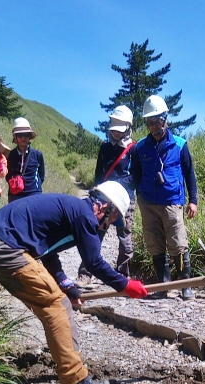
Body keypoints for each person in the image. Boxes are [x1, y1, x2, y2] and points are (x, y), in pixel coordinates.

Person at [0, 181, 148, 384]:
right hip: (2, 247)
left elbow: (46, 251)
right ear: (106, 207)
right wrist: (125, 285)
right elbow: (93, 262)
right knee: (57, 306)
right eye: (113, 219)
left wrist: (66, 285)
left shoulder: (69, 208)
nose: (107, 226)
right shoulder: (85, 215)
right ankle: (75, 382)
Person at [130, 95, 199, 299]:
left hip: (172, 202)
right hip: (148, 203)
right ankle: (163, 286)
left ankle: (185, 285)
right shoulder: (140, 147)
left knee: (178, 244)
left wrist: (193, 201)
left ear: (165, 119)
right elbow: (135, 175)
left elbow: (190, 174)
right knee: (154, 244)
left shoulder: (180, 145)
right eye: (150, 122)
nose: (154, 126)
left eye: (157, 121)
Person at [76, 105, 136, 284]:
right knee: (95, 232)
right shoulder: (105, 147)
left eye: (119, 130)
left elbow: (136, 176)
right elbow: (99, 173)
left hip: (125, 199)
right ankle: (85, 273)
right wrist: (99, 191)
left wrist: (116, 186)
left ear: (127, 128)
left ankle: (122, 274)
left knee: (124, 235)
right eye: (114, 130)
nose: (116, 133)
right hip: (103, 198)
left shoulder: (133, 149)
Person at [5, 117, 45, 203]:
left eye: (26, 135)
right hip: (15, 195)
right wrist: (14, 183)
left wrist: (34, 187)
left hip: (33, 194)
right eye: (20, 135)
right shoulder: (11, 155)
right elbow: (7, 174)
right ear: (15, 137)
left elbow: (41, 176)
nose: (23, 138)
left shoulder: (38, 155)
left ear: (29, 137)